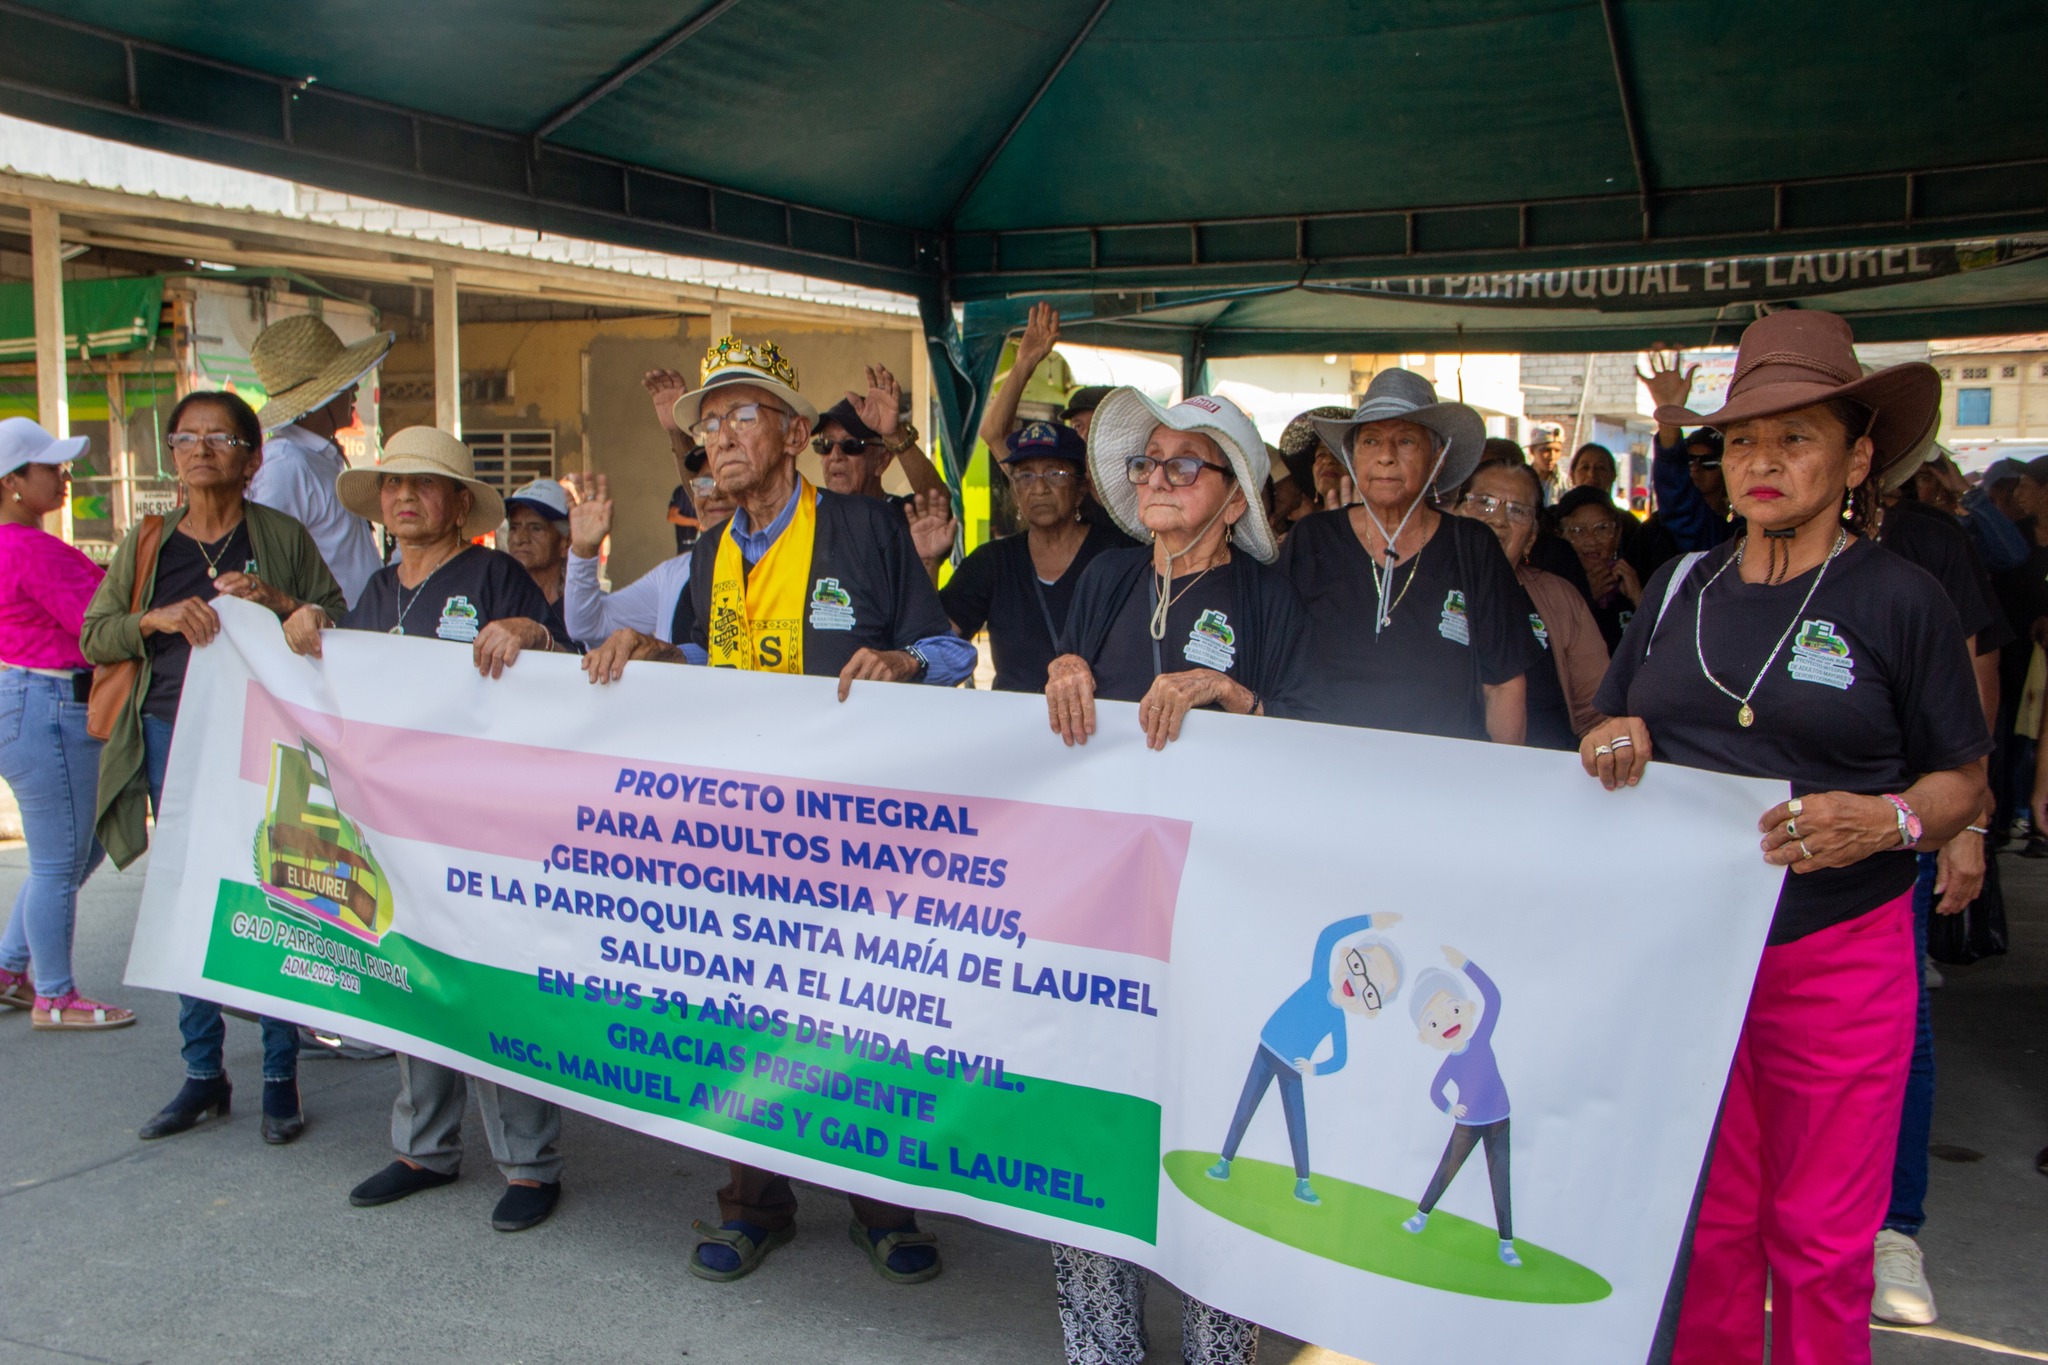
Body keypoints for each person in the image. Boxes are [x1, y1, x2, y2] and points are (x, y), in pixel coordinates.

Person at [1584, 310, 1989, 1365]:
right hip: (1691, 956)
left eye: (1795, 437)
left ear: (1855, 460)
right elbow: (1608, 720)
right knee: (1711, 1226)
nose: (1761, 461)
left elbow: (1961, 779)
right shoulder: (1681, 588)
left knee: (1818, 1237)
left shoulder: (1899, 597)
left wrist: (1891, 821)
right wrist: (1611, 737)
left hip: (1837, 951)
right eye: (1742, 441)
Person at [580, 336, 971, 1283]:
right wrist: (659, 655)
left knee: (854, 1016)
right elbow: (705, 662)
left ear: (794, 436)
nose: (720, 436)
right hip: (741, 832)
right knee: (745, 1014)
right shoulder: (709, 550)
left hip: (853, 835)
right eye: (710, 421)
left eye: (742, 416)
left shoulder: (866, 528)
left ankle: (882, 1206)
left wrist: (904, 661)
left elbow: (952, 649)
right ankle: (754, 1204)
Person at [1042, 388, 1306, 1365]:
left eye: (1183, 464)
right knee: (1092, 1116)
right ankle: (1099, 1346)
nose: (1156, 478)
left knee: (1215, 1130)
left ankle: (1217, 1349)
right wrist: (1063, 669)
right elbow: (1062, 701)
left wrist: (1232, 693)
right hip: (1104, 910)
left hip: (1222, 917)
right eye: (1146, 463)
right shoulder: (1107, 578)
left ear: (1234, 500)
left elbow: (1316, 744)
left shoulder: (1269, 599)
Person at [280, 425, 567, 1232]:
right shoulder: (376, 590)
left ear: (458, 503)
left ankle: (530, 1163)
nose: (404, 495)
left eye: (424, 483)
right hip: (396, 827)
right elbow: (341, 682)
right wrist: (309, 628)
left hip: (481, 824)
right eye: (393, 482)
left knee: (489, 982)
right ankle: (423, 1149)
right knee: (413, 975)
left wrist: (534, 634)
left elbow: (567, 666)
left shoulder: (496, 574)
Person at [82, 391, 345, 1138]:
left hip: (263, 735)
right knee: (187, 894)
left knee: (276, 889)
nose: (201, 449)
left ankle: (280, 1074)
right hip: (170, 732)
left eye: (220, 437)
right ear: (171, 453)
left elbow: (333, 620)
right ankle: (202, 1071)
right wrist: (154, 618)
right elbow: (95, 634)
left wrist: (274, 598)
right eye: (186, 437)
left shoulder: (278, 534)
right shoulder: (148, 542)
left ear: (252, 458)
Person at [1278, 371, 1542, 742]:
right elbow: (1274, 662)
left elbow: (1503, 686)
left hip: (1443, 768)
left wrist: (1502, 775)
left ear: (1436, 459)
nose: (1386, 457)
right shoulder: (1313, 538)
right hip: (1328, 761)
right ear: (1353, 457)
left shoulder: (1472, 546)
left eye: (1405, 441)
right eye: (1371, 441)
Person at [0, 419, 127, 1029]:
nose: (64, 476)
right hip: (49, 703)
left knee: (75, 849)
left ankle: (10, 968)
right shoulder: (32, 549)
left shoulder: (17, 545)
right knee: (60, 859)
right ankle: (53, 996)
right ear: (12, 481)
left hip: (29, 700)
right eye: (50, 467)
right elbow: (101, 626)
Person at [1207, 913, 1404, 1203]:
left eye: (1371, 991)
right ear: (1346, 955)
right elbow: (1328, 936)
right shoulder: (1319, 978)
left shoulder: (1337, 1019)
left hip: (1293, 1068)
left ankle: (1303, 1182)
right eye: (1360, 966)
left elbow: (1340, 1058)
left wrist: (1315, 1068)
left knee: (1296, 1122)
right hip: (1267, 1049)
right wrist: (1369, 920)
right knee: (1245, 1106)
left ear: (1370, 1009)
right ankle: (1224, 1162)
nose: (1357, 982)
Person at [940, 421, 1134, 693]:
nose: (1039, 488)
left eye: (1055, 473)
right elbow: (936, 642)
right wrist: (930, 562)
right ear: (1015, 491)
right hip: (1014, 718)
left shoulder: (1119, 554)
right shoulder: (992, 562)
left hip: (1100, 716)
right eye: (1025, 476)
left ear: (1081, 489)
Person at [1456, 460, 1608, 750]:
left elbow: (1598, 713)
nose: (1498, 519)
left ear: (1530, 540)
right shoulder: (1424, 584)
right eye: (1484, 502)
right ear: (1456, 513)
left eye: (1517, 510)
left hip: (1547, 766)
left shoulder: (1560, 598)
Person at [245, 314, 393, 606]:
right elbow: (269, 564)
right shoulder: (285, 466)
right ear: (320, 400)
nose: (355, 390)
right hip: (325, 628)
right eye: (345, 384)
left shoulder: (317, 456)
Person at [1401, 947, 1516, 1267]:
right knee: (1446, 1169)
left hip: (1499, 1120)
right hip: (1468, 1123)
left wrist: (1465, 965)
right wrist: (1450, 1108)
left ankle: (1506, 1243)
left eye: (1453, 1009)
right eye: (1433, 1023)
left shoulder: (1481, 1039)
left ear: (1468, 1008)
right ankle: (1421, 1215)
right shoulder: (1451, 1062)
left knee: (1500, 1180)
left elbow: (1494, 998)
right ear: (1425, 1036)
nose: (1447, 1022)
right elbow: (1436, 1091)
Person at [560, 472, 735, 649]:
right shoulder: (672, 574)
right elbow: (588, 626)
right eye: (704, 482)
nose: (715, 494)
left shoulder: (756, 565)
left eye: (727, 478)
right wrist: (584, 551)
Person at [1554, 486, 1642, 650]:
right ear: (1560, 535)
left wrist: (1639, 600)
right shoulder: (1550, 585)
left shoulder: (1631, 582)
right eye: (1578, 531)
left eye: (1602, 528)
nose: (1591, 540)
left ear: (1617, 534)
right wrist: (1585, 599)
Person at [501, 478, 580, 651]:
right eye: (514, 527)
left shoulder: (581, 610)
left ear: (566, 543)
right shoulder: (498, 601)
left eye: (535, 528)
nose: (520, 538)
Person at [641, 367, 711, 554]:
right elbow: (673, 514)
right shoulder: (685, 567)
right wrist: (676, 431)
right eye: (703, 485)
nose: (714, 495)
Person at [1525, 421, 1565, 501]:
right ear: (1532, 451)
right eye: (1546, 450)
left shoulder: (1565, 483)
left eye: (1557, 451)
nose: (1552, 456)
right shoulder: (1521, 480)